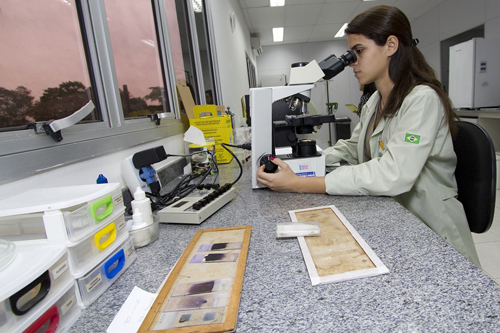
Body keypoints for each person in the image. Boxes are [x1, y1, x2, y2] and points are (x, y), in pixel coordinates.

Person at [256, 5, 480, 267]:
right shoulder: (375, 100)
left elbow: (392, 173)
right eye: (351, 54)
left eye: (359, 51)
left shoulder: (423, 99)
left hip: (431, 230)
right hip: (394, 217)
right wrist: (303, 161)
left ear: (391, 45)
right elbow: (353, 148)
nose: (352, 62)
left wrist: (300, 183)